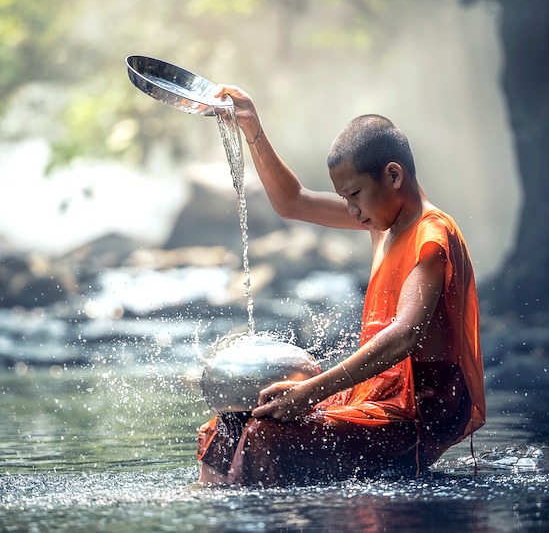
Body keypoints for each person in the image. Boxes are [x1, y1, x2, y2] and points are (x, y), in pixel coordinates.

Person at [196, 85, 486, 487]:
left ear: (394, 176)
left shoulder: (430, 235)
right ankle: (209, 509)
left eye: (354, 195)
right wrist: (251, 127)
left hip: (416, 413)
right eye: (343, 198)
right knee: (229, 423)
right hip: (374, 396)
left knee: (264, 435)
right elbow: (292, 201)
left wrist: (311, 392)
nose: (351, 211)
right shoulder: (381, 219)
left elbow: (404, 336)